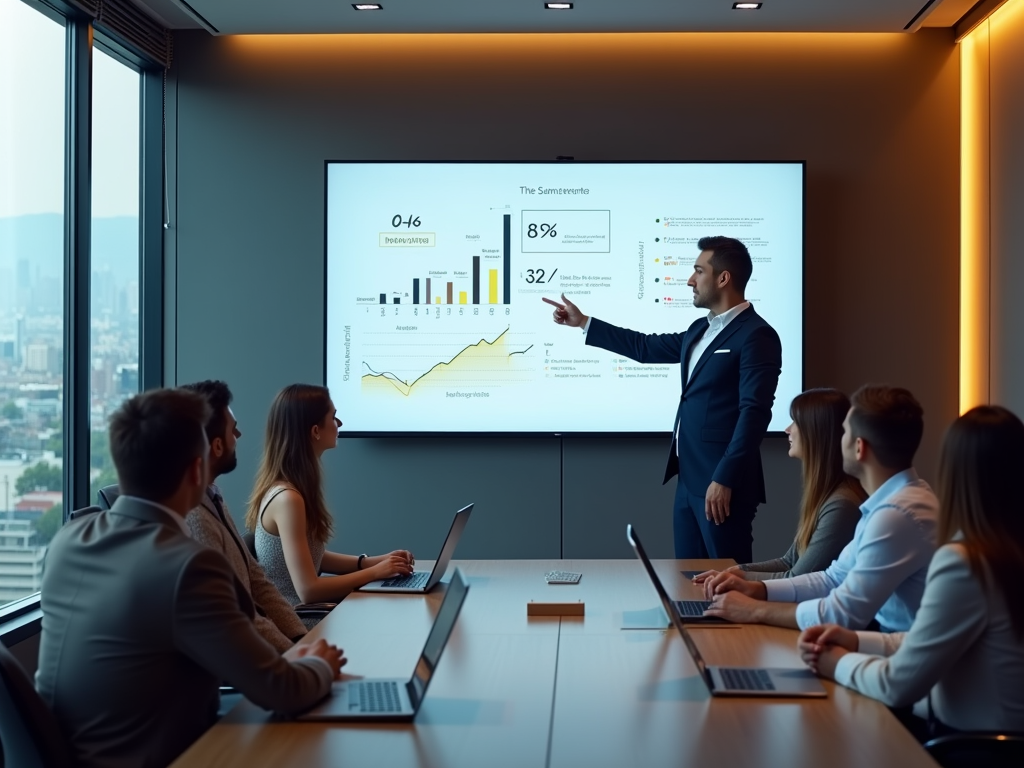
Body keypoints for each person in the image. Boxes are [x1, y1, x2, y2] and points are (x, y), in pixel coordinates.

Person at [35, 389, 345, 768]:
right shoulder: (188, 567)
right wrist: (321, 663)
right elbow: (281, 690)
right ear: (198, 470)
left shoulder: (67, 541)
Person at [546, 236, 782, 561]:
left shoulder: (757, 335)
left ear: (723, 278)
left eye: (698, 271)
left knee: (728, 585)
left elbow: (754, 413)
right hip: (688, 480)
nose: (690, 280)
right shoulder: (700, 329)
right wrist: (584, 323)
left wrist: (724, 477)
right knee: (687, 582)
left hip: (721, 484)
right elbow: (644, 348)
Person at [799, 406, 1024, 736]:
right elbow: (929, 640)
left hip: (971, 747)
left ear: (954, 474)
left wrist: (835, 662)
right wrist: (857, 640)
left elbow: (897, 685)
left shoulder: (966, 562)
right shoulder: (1006, 550)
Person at [703, 385, 938, 632]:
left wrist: (753, 609)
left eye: (844, 432)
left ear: (859, 447)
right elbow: (831, 579)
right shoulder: (888, 505)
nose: (838, 440)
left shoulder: (895, 516)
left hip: (899, 654)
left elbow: (844, 613)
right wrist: (755, 587)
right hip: (888, 646)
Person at [245, 383, 414, 609]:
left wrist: (375, 562)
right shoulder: (288, 499)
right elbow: (309, 591)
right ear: (315, 431)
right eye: (334, 417)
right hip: (301, 625)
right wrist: (375, 572)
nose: (339, 423)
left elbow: (314, 557)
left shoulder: (290, 490)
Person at [181, 380, 308, 651]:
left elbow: (257, 581)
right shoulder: (195, 519)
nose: (238, 435)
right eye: (232, 429)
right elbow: (239, 613)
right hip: (244, 660)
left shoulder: (212, 496)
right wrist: (296, 657)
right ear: (216, 447)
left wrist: (300, 640)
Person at [694, 388, 864, 584]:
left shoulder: (841, 504)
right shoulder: (829, 495)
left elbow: (796, 578)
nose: (787, 429)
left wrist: (737, 578)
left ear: (817, 432)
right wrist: (736, 570)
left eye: (796, 422)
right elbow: (788, 562)